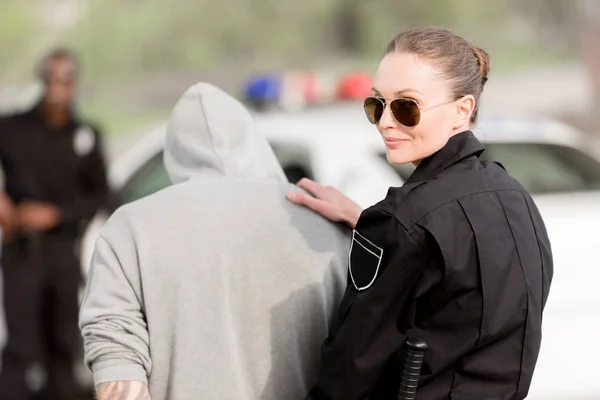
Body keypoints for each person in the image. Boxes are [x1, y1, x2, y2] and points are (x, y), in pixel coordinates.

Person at [287, 27, 554, 400]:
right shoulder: (514, 198)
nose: (384, 122)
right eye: (376, 104)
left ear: (462, 110)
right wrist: (365, 219)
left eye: (406, 106)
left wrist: (387, 227)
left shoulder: (404, 221)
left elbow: (350, 370)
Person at [79, 83, 350, 400]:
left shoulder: (130, 228)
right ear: (252, 139)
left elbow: (117, 358)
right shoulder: (326, 218)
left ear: (174, 151)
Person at [0, 48, 110, 399]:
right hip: (22, 251)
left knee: (63, 350)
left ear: (75, 83)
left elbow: (101, 196)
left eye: (65, 78)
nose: (57, 86)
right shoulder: (12, 127)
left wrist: (56, 214)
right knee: (20, 350)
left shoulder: (86, 135)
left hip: (63, 252)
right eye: (51, 77)